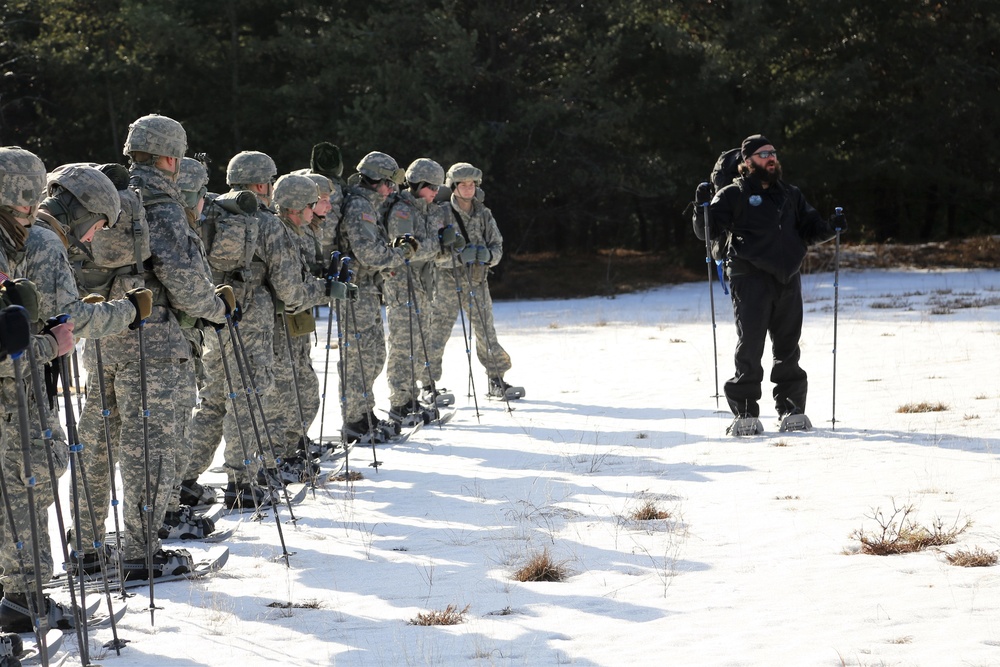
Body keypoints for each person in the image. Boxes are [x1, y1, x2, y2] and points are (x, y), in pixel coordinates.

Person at [73, 114, 232, 580]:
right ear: (170, 157)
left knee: (99, 442)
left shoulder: (103, 196)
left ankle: (85, 548)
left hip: (102, 336)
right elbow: (184, 283)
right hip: (157, 344)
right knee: (150, 448)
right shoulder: (161, 205)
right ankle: (142, 553)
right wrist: (219, 310)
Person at [694, 134, 844, 436]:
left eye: (773, 153)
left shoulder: (790, 194)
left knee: (788, 346)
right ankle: (746, 412)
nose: (771, 158)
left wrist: (832, 228)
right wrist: (701, 206)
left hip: (787, 278)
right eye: (763, 154)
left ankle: (792, 409)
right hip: (749, 278)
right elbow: (704, 232)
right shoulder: (732, 195)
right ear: (746, 163)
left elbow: (810, 228)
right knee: (750, 345)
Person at [0, 146, 79, 630]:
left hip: (20, 391)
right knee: (29, 478)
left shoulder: (18, 243)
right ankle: (24, 596)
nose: (32, 209)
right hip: (15, 396)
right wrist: (50, 344)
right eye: (25, 200)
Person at [426, 162, 523, 400]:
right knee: (437, 332)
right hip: (446, 282)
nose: (468, 189)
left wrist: (490, 257)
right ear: (453, 187)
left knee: (486, 331)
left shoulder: (483, 213)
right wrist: (457, 257)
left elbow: (497, 245)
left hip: (476, 280)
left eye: (472, 184)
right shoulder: (440, 213)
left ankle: (496, 378)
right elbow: (431, 253)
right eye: (463, 185)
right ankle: (426, 384)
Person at [337, 151, 412, 442]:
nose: (392, 189)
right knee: (360, 357)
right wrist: (399, 254)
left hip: (366, 290)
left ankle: (363, 412)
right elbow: (368, 252)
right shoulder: (360, 207)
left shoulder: (366, 205)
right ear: (377, 181)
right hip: (356, 291)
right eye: (389, 183)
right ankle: (355, 420)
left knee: (372, 354)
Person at [383, 158, 447, 422]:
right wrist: (438, 244)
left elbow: (433, 251)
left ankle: (410, 399)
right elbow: (408, 250)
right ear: (418, 184)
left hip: (422, 285)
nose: (435, 192)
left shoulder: (429, 210)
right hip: (402, 285)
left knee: (417, 345)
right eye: (431, 187)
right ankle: (400, 403)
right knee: (402, 345)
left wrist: (441, 246)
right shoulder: (403, 211)